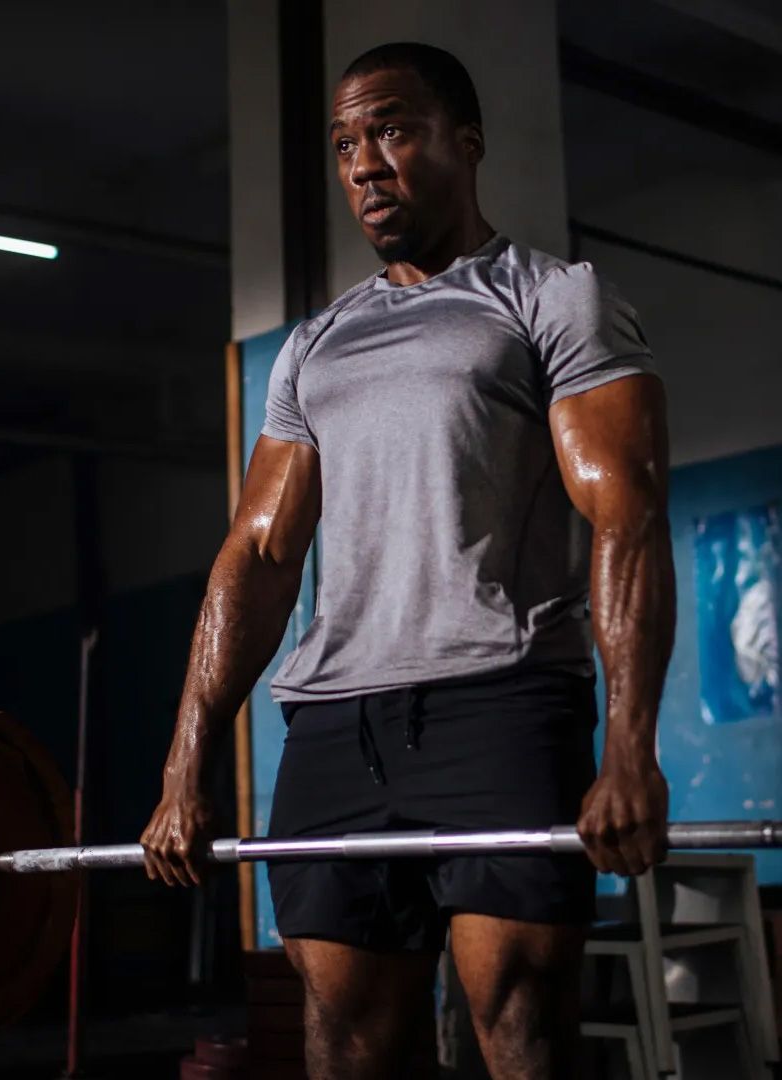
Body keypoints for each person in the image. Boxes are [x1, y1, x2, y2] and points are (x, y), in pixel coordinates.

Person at [141, 41, 675, 1080]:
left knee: (519, 1032)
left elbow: (627, 516)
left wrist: (629, 747)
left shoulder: (553, 299)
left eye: (391, 130)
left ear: (464, 144)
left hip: (502, 703)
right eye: (345, 144)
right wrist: (185, 759)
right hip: (338, 728)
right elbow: (256, 555)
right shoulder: (314, 345)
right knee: (344, 1046)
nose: (363, 165)